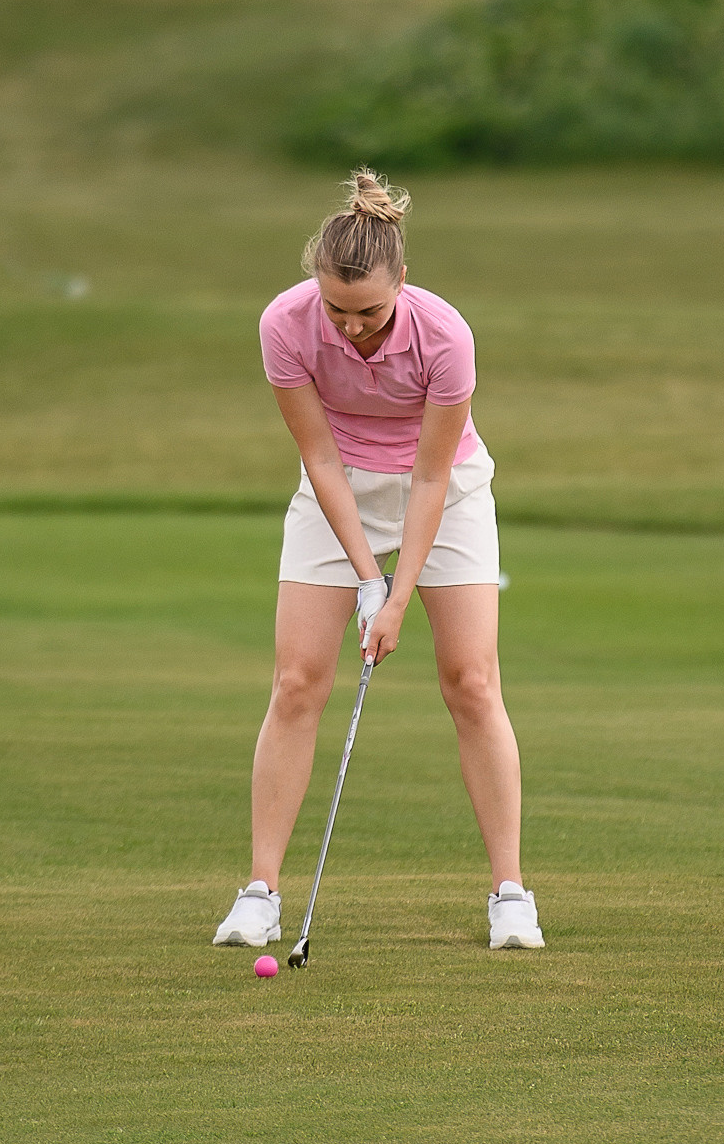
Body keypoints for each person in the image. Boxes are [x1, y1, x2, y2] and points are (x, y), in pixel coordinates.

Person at [213, 168, 543, 956]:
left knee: (470, 680)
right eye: (337, 310)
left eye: (369, 311)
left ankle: (509, 895)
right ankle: (258, 893)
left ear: (402, 284)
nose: (352, 327)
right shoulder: (284, 325)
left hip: (447, 490)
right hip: (339, 492)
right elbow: (319, 458)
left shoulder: (445, 335)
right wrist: (368, 578)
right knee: (297, 681)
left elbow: (431, 476)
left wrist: (395, 601)